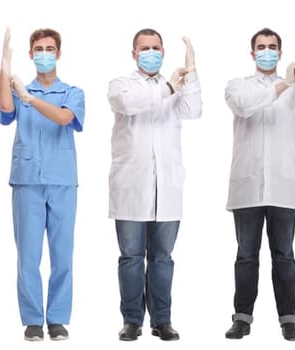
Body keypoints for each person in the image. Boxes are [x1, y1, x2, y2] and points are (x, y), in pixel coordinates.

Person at [106, 28, 201, 342]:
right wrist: (171, 86)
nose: (151, 52)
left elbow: (193, 110)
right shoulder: (121, 85)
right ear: (133, 54)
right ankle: (132, 321)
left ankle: (162, 320)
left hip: (167, 187)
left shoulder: (175, 85)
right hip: (131, 186)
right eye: (144, 48)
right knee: (131, 257)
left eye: (157, 47)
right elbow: (129, 104)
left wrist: (192, 72)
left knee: (162, 258)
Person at [222, 25, 295, 341]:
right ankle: (242, 318)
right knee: (246, 255)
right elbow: (243, 107)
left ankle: (288, 319)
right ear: (252, 53)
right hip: (247, 187)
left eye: (273, 46)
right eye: (261, 46)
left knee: (284, 255)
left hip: (282, 187)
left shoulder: (292, 83)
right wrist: (281, 85)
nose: (267, 51)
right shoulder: (238, 85)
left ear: (281, 51)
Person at [0, 27, 86, 342]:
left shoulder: (72, 92)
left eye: (50, 48)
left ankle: (58, 318)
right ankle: (33, 319)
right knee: (28, 256)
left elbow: (63, 119)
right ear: (31, 54)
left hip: (62, 181)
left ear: (59, 54)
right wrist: (4, 64)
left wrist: (29, 98)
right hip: (27, 182)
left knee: (63, 254)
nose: (44, 54)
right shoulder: (19, 89)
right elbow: (7, 108)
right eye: (38, 49)